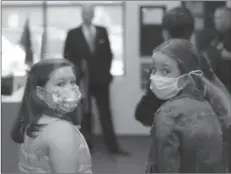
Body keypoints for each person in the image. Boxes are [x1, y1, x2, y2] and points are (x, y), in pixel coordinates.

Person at [145, 39, 230, 173]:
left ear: (186, 76)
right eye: (155, 69)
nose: (156, 76)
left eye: (166, 71)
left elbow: (166, 167)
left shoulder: (168, 114)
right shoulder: (214, 107)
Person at [63, 4, 128, 155]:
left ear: (93, 14)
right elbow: (67, 57)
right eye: (84, 13)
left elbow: (109, 55)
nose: (87, 15)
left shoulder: (102, 31)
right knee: (84, 113)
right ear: (81, 14)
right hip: (82, 81)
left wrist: (107, 74)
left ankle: (113, 147)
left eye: (89, 13)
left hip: (101, 80)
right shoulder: (73, 34)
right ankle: (86, 146)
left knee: (105, 113)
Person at [10, 59, 92, 173]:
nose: (71, 89)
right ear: (41, 93)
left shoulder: (36, 123)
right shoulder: (61, 130)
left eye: (73, 82)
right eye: (61, 84)